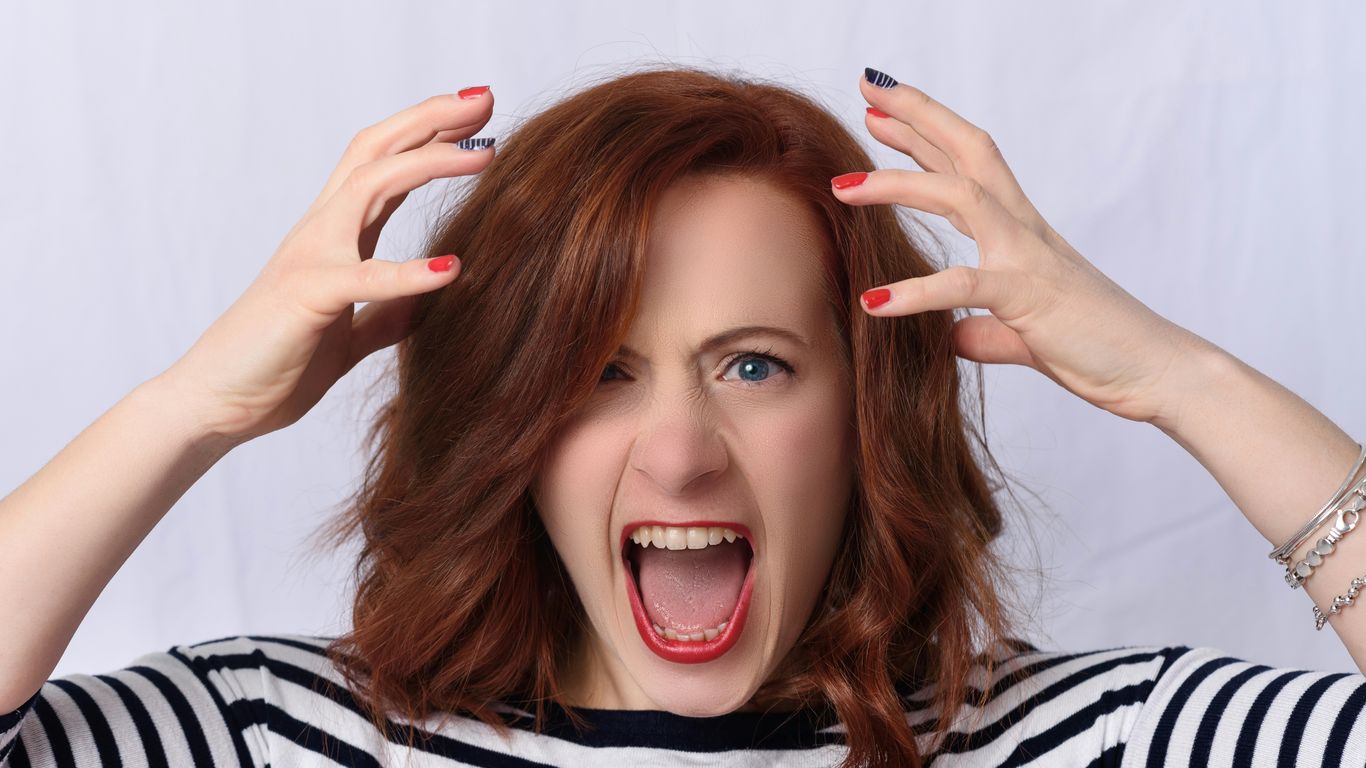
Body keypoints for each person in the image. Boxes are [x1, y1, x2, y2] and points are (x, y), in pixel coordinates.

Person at [1, 65, 1363, 767]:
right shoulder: (273, 733)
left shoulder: (1088, 743)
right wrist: (188, 409)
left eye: (753, 365)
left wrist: (1183, 380)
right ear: (508, 425)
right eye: (596, 373)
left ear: (863, 412)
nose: (676, 449)